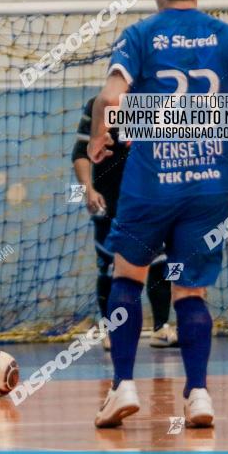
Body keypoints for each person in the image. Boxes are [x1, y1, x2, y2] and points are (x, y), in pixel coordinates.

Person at [88, 0, 228, 428]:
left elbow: (110, 97)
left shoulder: (139, 35)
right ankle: (198, 394)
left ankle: (123, 387)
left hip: (151, 185)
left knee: (127, 279)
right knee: (190, 292)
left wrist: (101, 134)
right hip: (209, 185)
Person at [71, 97, 175, 350]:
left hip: (151, 199)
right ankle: (110, 330)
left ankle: (161, 328)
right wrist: (88, 189)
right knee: (109, 265)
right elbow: (80, 152)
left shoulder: (155, 102)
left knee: (160, 260)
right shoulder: (98, 105)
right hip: (109, 198)